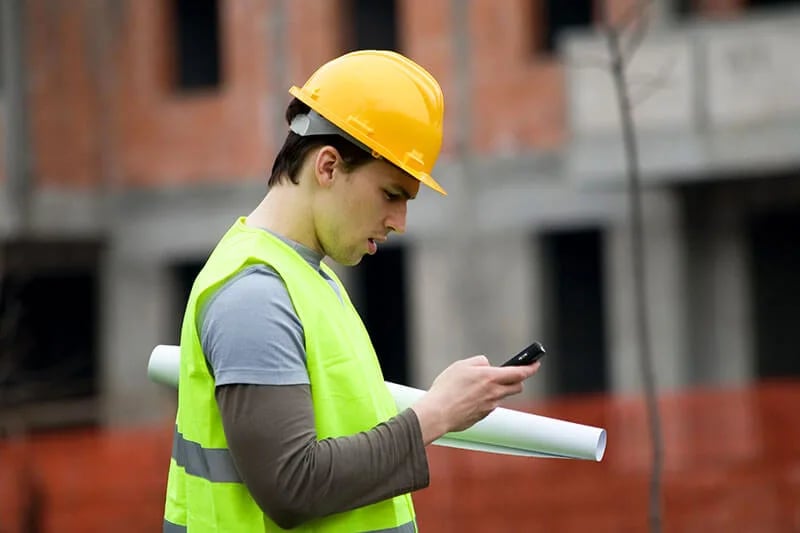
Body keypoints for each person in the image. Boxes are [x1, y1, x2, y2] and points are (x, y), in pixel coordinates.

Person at [163, 50, 540, 532]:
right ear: (327, 167)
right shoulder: (254, 297)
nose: (399, 222)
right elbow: (293, 485)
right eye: (391, 194)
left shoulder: (310, 280)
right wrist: (438, 412)